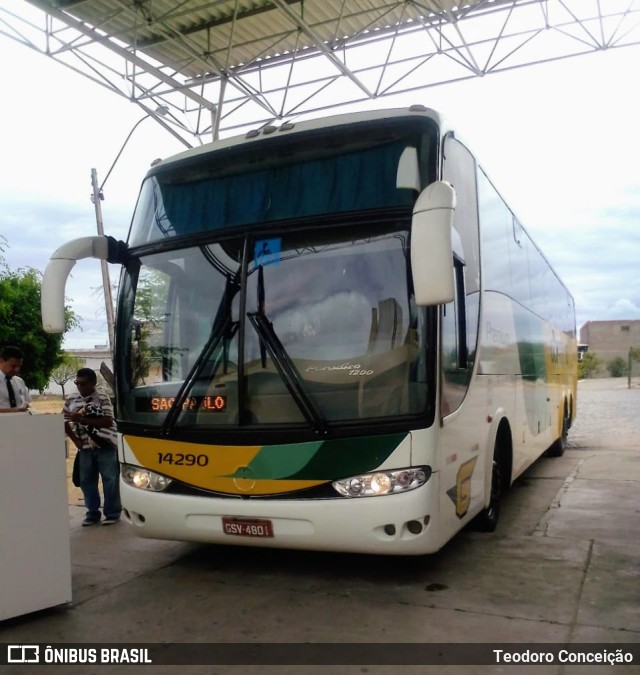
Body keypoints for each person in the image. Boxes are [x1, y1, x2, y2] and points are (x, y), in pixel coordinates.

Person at [63, 367, 121, 526]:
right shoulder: (72, 399)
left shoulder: (102, 397)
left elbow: (108, 421)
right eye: (77, 383)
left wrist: (81, 420)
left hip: (105, 444)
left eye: (83, 384)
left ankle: (112, 512)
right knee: (86, 480)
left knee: (110, 479)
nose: (80, 387)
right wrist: (76, 441)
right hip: (85, 448)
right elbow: (64, 421)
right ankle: (92, 513)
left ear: (93, 383)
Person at [0, 345, 31, 412]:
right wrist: (12, 411)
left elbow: (27, 403)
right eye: (13, 366)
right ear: (1, 361)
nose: (17, 370)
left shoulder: (19, 381)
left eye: (19, 366)